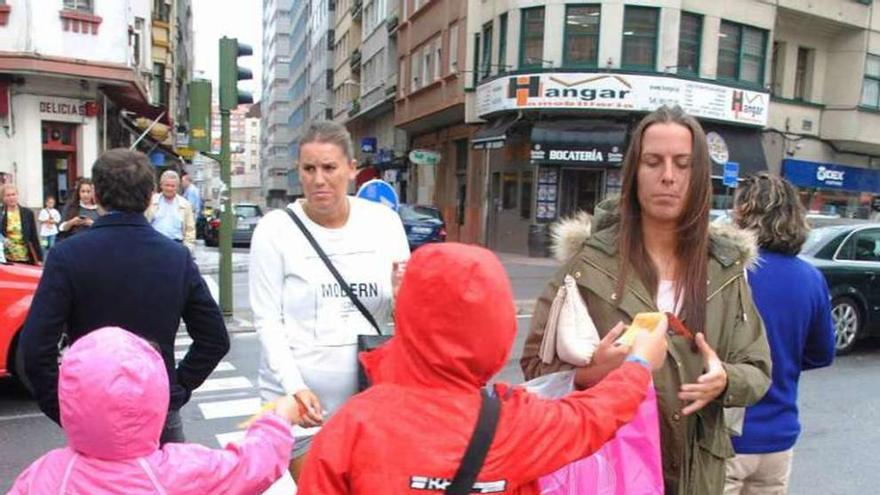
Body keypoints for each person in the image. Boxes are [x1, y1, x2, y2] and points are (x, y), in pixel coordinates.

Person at [520, 106, 772, 495]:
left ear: (699, 175)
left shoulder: (724, 270)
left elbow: (758, 368)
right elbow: (535, 366)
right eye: (653, 162)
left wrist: (726, 380)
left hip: (697, 476)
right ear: (634, 172)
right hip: (613, 473)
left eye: (682, 164)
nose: (668, 176)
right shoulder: (588, 264)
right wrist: (590, 373)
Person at [296, 243, 668, 494]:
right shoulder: (515, 425)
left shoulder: (353, 427)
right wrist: (638, 365)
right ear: (497, 327)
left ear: (409, 320)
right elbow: (592, 417)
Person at [21, 148, 230, 444]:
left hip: (93, 408)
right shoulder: (176, 258)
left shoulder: (66, 256)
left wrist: (64, 409)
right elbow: (214, 339)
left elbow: (36, 348)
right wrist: (176, 388)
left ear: (97, 195)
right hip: (156, 405)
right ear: (149, 196)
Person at [249, 120, 410, 481]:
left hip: (370, 401)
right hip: (301, 408)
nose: (319, 179)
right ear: (299, 173)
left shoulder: (383, 222)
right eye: (309, 169)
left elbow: (404, 312)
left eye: (329, 168)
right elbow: (267, 320)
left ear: (352, 170)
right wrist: (294, 387)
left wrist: (404, 299)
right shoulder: (275, 230)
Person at [10, 326, 299, 494]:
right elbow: (250, 465)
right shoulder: (179, 472)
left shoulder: (46, 475)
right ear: (156, 398)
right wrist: (279, 419)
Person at [724, 174, 835, 495]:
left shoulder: (729, 273)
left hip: (728, 437)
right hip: (778, 438)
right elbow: (820, 354)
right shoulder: (811, 278)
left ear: (744, 211)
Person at [146, 170, 197, 253]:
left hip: (176, 246)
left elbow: (190, 229)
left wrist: (188, 249)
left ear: (177, 187)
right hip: (154, 246)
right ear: (161, 185)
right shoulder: (151, 202)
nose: (169, 188)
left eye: (173, 186)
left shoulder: (185, 205)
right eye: (167, 185)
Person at [1, 184, 43, 265]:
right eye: (8, 195)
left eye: (13, 194)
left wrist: (39, 258)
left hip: (25, 257)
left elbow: (33, 236)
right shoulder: (1, 213)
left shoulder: (27, 213)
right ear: (3, 198)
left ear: (17, 195)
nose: (11, 197)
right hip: (5, 259)